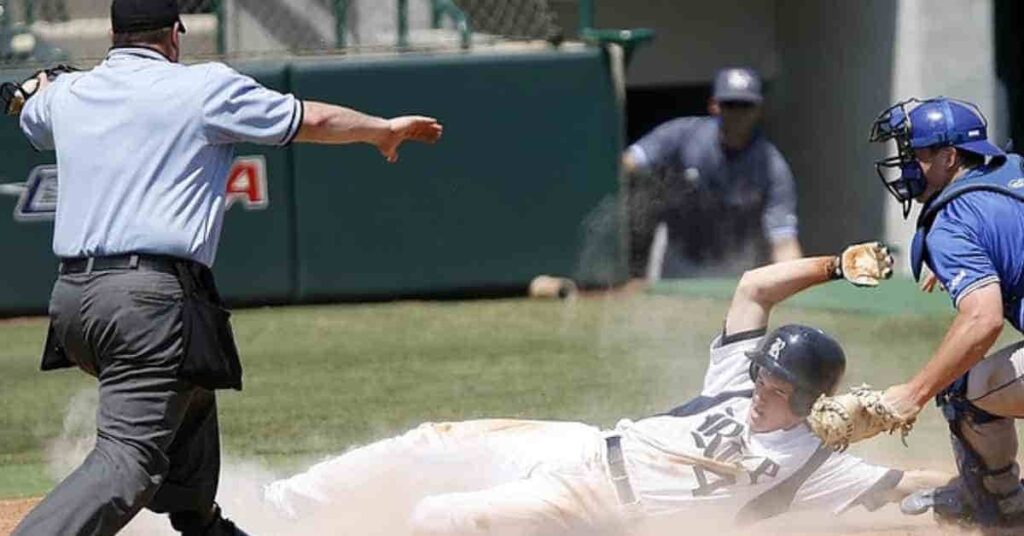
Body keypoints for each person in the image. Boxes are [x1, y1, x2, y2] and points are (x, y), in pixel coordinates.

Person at [11, 0, 443, 534]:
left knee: (189, 396)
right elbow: (314, 119)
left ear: (112, 34)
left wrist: (41, 87)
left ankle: (203, 523)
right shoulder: (203, 87)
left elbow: (31, 112)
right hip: (148, 301)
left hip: (74, 303)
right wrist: (381, 129)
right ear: (174, 34)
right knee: (129, 463)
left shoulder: (70, 95)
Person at [260, 243, 948, 535]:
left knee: (439, 517)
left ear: (807, 398)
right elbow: (753, 287)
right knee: (427, 443)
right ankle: (272, 513)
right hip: (585, 446)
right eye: (763, 371)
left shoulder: (813, 468)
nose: (762, 385)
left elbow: (907, 482)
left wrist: (987, 474)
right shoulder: (736, 386)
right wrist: (837, 263)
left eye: (777, 382)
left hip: (596, 502)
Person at [868, 97, 1024, 530]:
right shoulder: (1014, 169)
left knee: (958, 384)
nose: (905, 163)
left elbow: (982, 320)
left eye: (914, 152)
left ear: (949, 157)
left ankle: (999, 502)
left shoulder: (953, 220)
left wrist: (913, 393)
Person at [622, 67, 802, 280]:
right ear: (714, 106)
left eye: (746, 105)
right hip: (678, 257)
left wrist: (797, 290)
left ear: (759, 109)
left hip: (737, 263)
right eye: (730, 105)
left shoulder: (772, 166)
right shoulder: (682, 134)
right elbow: (629, 162)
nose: (738, 114)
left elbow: (783, 240)